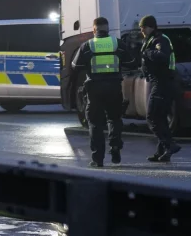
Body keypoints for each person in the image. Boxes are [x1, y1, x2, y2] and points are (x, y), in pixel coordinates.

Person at [71, 17, 135, 167]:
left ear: (94, 29)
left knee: (95, 124)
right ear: (108, 29)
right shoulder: (117, 43)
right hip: (114, 87)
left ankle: (97, 159)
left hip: (94, 89)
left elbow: (75, 66)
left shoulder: (87, 45)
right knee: (114, 119)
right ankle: (115, 147)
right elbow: (131, 62)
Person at [139, 15, 181, 162]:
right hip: (160, 82)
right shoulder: (152, 39)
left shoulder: (160, 39)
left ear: (150, 26)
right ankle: (161, 152)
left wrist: (147, 53)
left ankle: (170, 145)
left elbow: (162, 56)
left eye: (143, 27)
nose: (142, 30)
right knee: (161, 118)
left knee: (152, 117)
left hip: (163, 83)